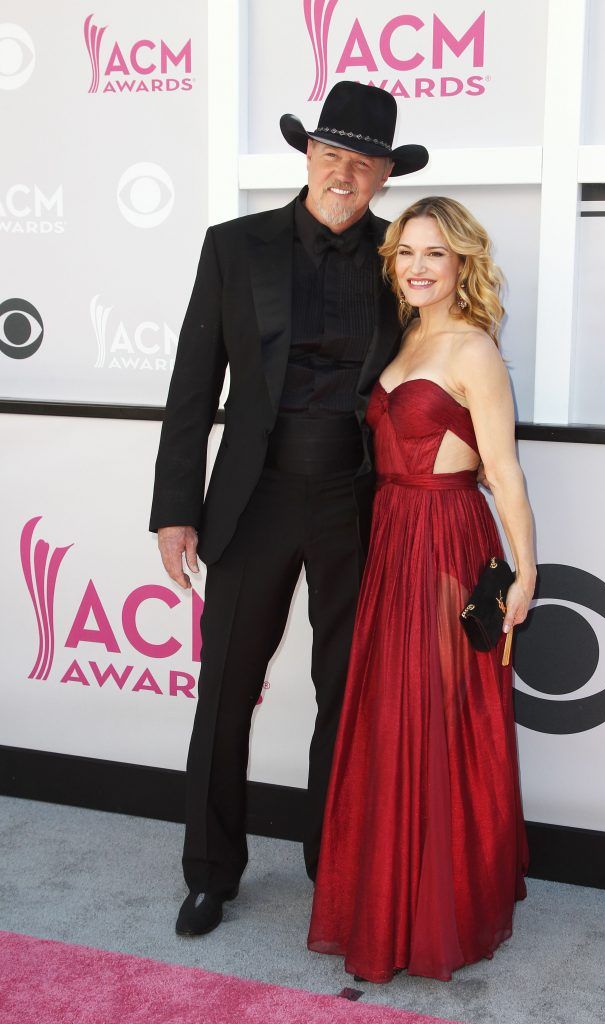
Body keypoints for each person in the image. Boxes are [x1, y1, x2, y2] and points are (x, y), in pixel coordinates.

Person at [149, 81, 428, 937]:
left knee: (345, 700)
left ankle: (334, 869)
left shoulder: (400, 259)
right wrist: (174, 508)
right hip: (251, 500)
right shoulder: (233, 246)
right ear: (307, 155)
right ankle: (209, 872)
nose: (346, 173)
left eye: (365, 161)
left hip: (359, 503)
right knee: (225, 692)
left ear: (384, 174)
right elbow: (193, 384)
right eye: (332, 153)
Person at [308, 197, 535, 983]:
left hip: (444, 537)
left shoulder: (473, 349)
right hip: (391, 537)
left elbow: (501, 470)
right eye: (406, 252)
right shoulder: (405, 336)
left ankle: (438, 908)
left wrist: (526, 569)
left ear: (463, 262)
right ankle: (390, 898)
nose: (416, 266)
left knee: (436, 717)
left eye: (434, 254)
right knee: (390, 717)